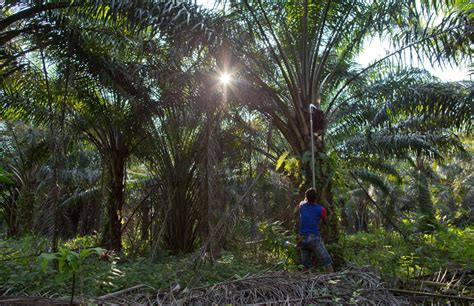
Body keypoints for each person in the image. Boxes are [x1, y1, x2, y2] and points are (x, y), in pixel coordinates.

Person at [298, 187, 334, 273]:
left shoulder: (302, 207)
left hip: (302, 239)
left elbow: (303, 202)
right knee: (327, 261)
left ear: (306, 197)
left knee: (305, 265)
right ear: (317, 197)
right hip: (313, 238)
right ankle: (333, 282)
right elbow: (325, 222)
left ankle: (303, 285)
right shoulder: (321, 209)